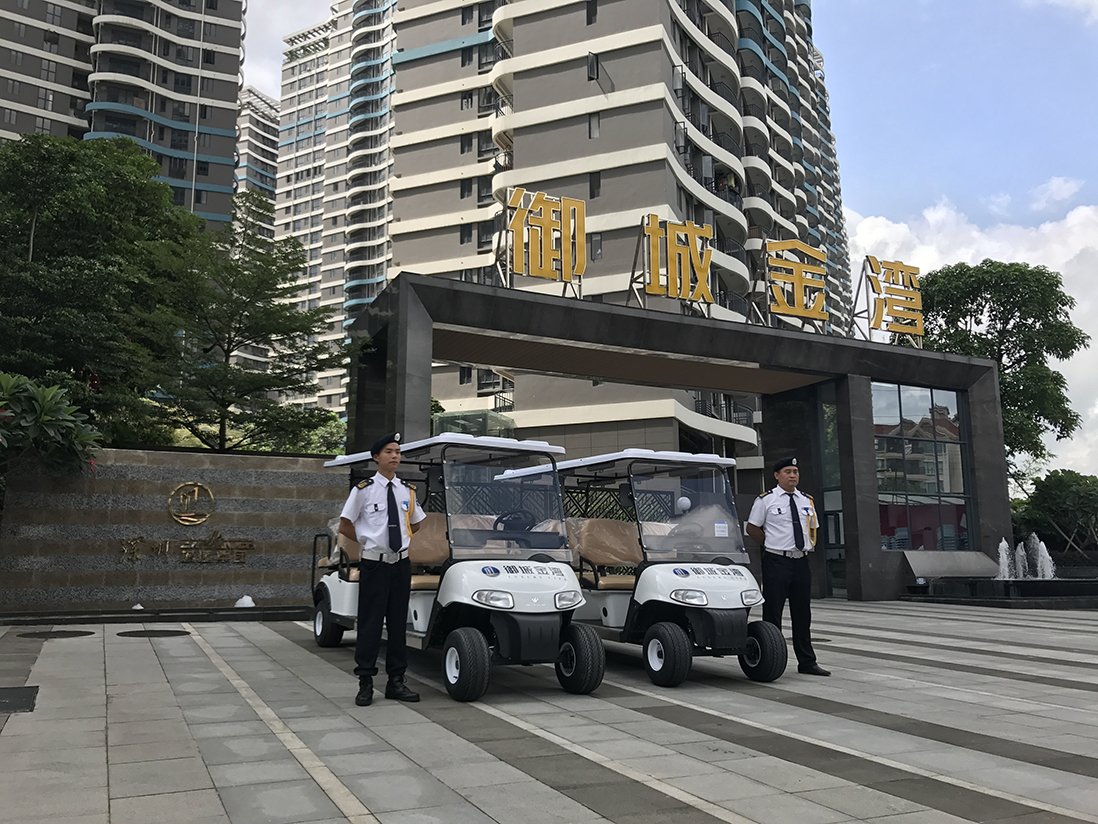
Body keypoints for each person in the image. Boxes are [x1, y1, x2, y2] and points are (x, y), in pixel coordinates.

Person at [338, 432, 426, 706]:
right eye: (389, 451)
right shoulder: (363, 489)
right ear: (376, 457)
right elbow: (345, 524)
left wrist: (400, 540)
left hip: (400, 564)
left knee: (398, 624)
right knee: (370, 624)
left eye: (398, 452)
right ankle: (365, 682)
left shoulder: (407, 491)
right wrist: (369, 540)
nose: (395, 456)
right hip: (374, 564)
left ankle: (396, 681)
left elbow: (416, 522)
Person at [746, 457, 830, 676]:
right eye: (788, 472)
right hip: (776, 561)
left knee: (802, 613)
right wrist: (770, 543)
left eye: (795, 471)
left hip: (800, 560)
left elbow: (813, 528)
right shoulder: (766, 500)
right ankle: (771, 657)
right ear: (777, 475)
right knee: (773, 612)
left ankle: (807, 662)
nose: (793, 475)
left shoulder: (806, 500)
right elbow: (752, 528)